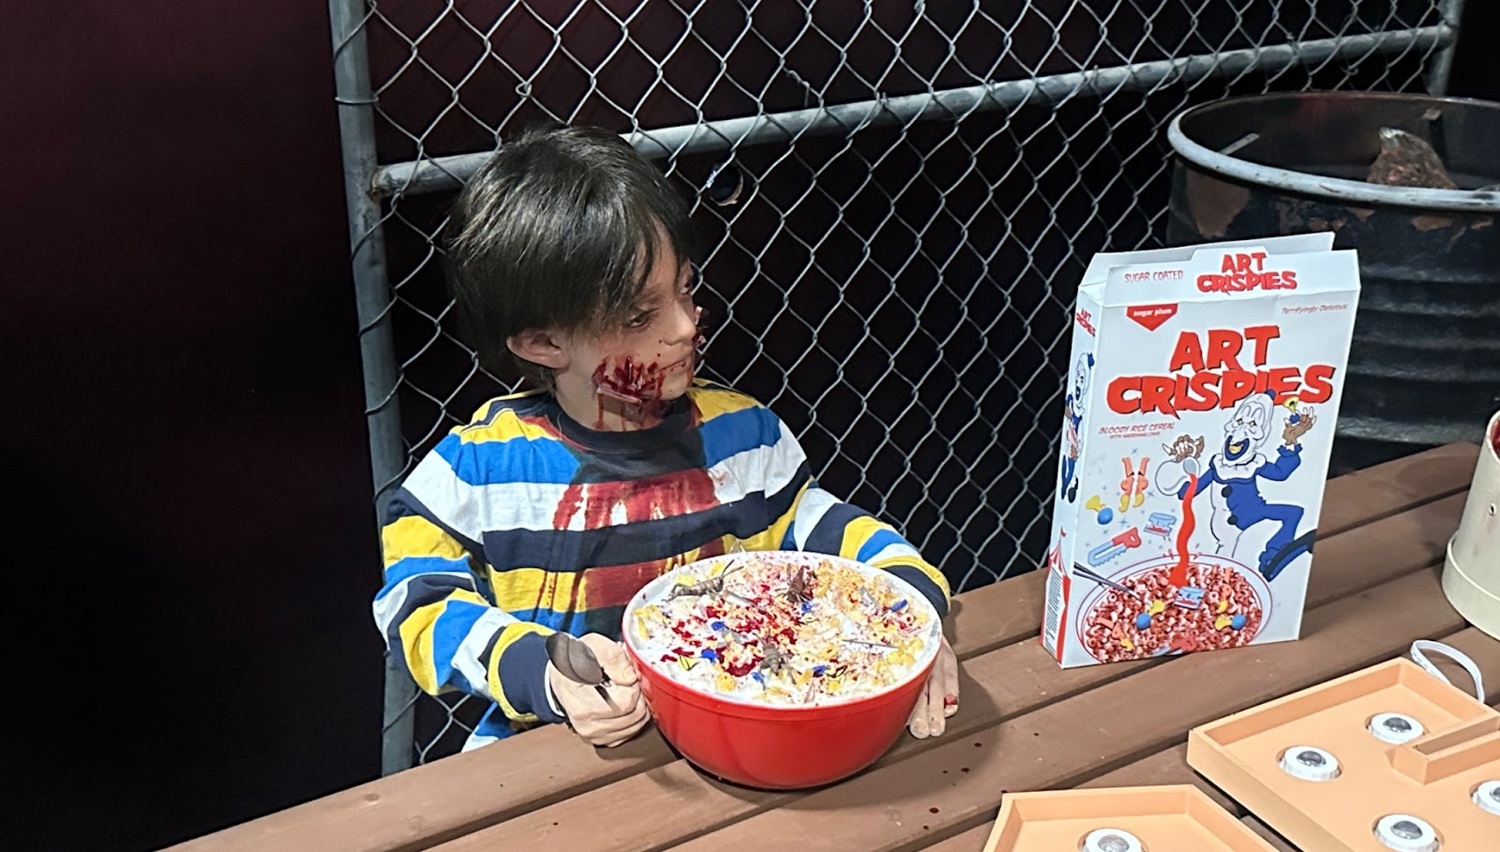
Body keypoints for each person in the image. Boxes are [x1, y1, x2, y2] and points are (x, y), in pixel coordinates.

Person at [372, 124, 960, 752]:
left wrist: (915, 610)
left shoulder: (745, 436)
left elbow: (828, 531)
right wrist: (538, 670)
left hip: (743, 733)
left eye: (685, 288)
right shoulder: (480, 468)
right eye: (638, 315)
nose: (684, 326)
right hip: (553, 750)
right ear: (543, 343)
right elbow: (413, 600)